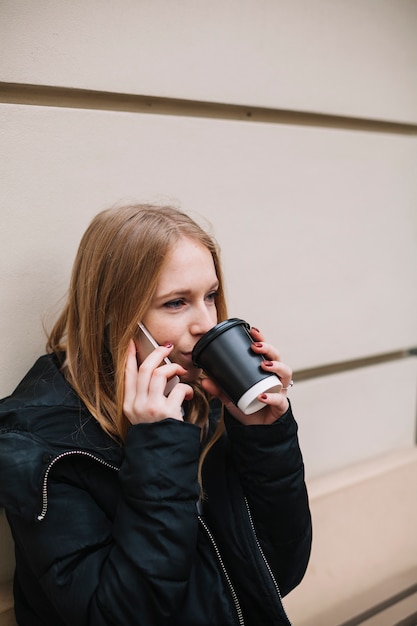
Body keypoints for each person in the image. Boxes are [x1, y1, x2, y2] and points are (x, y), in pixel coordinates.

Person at [0, 204, 311, 626]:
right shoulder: (40, 445)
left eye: (211, 296)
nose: (206, 322)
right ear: (114, 315)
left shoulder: (204, 398)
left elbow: (278, 571)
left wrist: (263, 438)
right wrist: (160, 447)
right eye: (176, 302)